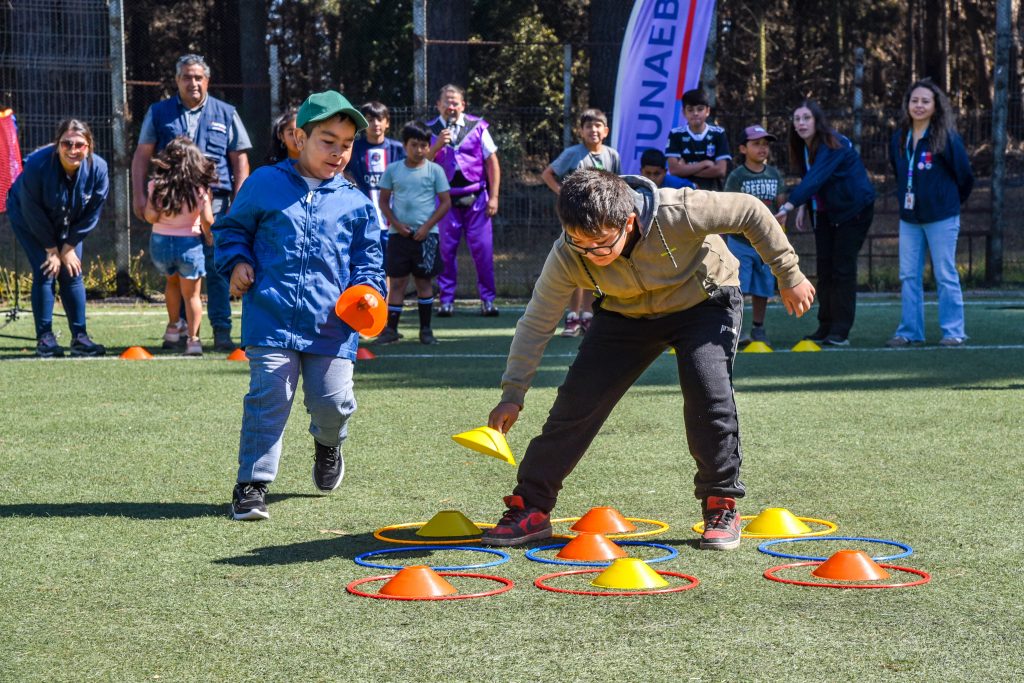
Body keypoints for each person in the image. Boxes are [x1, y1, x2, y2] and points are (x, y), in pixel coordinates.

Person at [479, 169, 815, 550]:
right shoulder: (568, 253)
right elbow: (538, 320)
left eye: (602, 243)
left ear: (629, 221)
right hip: (625, 313)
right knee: (576, 405)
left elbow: (751, 211)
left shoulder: (680, 211)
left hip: (704, 302)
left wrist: (789, 274)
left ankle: (720, 503)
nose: (591, 254)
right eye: (580, 243)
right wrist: (513, 391)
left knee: (708, 394)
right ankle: (532, 507)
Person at [213, 91, 385, 521]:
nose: (338, 152)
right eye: (328, 140)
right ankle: (251, 486)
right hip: (270, 317)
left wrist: (368, 292)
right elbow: (231, 229)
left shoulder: (357, 203)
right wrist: (237, 261)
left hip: (333, 326)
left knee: (333, 403)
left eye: (346, 144)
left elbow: (369, 264)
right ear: (299, 137)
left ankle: (328, 445)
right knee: (268, 395)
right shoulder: (263, 183)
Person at [131, 54, 253, 352]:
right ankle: (183, 333)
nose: (193, 82)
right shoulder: (159, 113)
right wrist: (139, 194)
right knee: (181, 274)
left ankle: (222, 331)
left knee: (218, 267)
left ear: (207, 80)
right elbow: (141, 156)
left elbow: (240, 159)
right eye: (186, 77)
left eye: (198, 77)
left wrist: (241, 200)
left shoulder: (225, 112)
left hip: (219, 204)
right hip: (175, 206)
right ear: (177, 80)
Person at [775, 100, 876, 347]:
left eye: (806, 118)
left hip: (853, 211)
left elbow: (817, 178)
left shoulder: (834, 144)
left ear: (817, 121)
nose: (801, 123)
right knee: (825, 270)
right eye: (797, 119)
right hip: (826, 215)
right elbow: (812, 180)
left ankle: (840, 330)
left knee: (842, 270)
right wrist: (804, 206)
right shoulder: (804, 147)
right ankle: (825, 326)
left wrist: (789, 205)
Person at [7, 119, 108, 358]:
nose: (73, 150)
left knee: (72, 270)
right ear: (57, 145)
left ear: (89, 146)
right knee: (46, 270)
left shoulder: (99, 169)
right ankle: (45, 339)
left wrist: (69, 247)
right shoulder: (37, 165)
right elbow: (32, 211)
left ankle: (80, 337)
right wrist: (52, 249)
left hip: (70, 222)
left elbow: (92, 213)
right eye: (67, 144)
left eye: (79, 145)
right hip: (29, 219)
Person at [886, 79, 974, 348]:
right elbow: (898, 172)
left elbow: (965, 177)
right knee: (908, 275)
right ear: (907, 105)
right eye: (915, 101)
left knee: (945, 274)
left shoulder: (945, 137)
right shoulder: (899, 139)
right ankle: (910, 331)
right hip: (910, 219)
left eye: (926, 101)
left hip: (942, 217)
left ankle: (953, 332)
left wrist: (946, 202)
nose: (919, 106)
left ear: (936, 106)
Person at [540, 108, 621, 338]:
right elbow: (548, 174)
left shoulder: (612, 155)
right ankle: (572, 317)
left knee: (594, 268)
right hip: (576, 221)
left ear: (605, 131)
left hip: (601, 224)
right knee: (576, 269)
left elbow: (618, 184)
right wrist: (563, 194)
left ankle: (588, 315)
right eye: (588, 126)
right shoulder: (573, 153)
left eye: (598, 126)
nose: (593, 130)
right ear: (581, 131)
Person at [427, 84, 501, 317]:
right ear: (438, 105)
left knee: (483, 251)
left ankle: (488, 300)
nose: (451, 107)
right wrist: (437, 145)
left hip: (477, 198)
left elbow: (492, 163)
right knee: (445, 252)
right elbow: (423, 164)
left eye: (455, 102)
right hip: (445, 200)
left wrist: (495, 196)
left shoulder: (478, 127)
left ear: (463, 105)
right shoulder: (430, 130)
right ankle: (446, 300)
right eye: (446, 102)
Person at [374, 121, 451, 345]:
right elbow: (384, 201)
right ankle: (391, 330)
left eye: (423, 145)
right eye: (414, 145)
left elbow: (446, 203)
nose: (418, 150)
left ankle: (426, 331)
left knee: (424, 283)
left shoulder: (435, 170)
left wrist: (426, 227)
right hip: (399, 237)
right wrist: (397, 225)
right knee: (397, 283)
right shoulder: (393, 169)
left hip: (426, 238)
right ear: (405, 145)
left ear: (429, 147)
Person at [143, 136, 218, 356]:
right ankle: (193, 341)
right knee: (192, 295)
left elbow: (150, 216)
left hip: (160, 243)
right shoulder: (200, 189)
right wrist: (209, 236)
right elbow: (208, 219)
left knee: (171, 284)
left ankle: (173, 329)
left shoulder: (157, 185)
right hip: (190, 245)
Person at [724, 125, 787, 348]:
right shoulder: (737, 176)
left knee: (763, 287)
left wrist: (782, 217)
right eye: (756, 144)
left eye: (765, 144)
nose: (762, 148)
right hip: (741, 242)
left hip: (766, 242)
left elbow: (780, 204)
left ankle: (758, 328)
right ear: (743, 148)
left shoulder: (774, 174)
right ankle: (734, 329)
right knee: (737, 287)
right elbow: (729, 206)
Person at [348, 101, 406, 261]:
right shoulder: (353, 149)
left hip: (394, 221)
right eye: (370, 119)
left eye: (380, 119)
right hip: (363, 220)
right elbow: (340, 171)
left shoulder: (398, 149)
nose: (375, 124)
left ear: (387, 122)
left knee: (392, 267)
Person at [664, 87, 731, 191]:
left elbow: (721, 170)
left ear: (707, 111)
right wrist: (704, 164)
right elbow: (674, 170)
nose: (695, 113)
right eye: (690, 110)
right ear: (684, 112)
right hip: (684, 193)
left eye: (700, 109)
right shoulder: (676, 134)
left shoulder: (718, 133)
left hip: (712, 192)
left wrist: (686, 168)